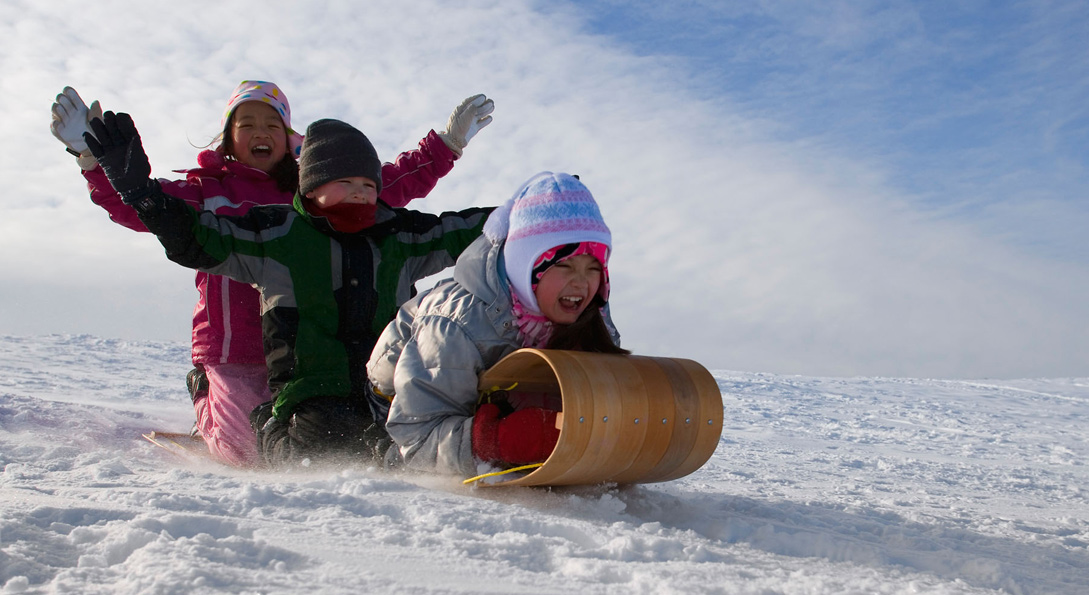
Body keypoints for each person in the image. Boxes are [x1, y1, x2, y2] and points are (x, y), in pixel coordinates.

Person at [49, 82, 494, 466]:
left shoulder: (315, 190)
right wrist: (93, 160)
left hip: (311, 348)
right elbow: (148, 211)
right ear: (228, 136)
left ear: (289, 138)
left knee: (353, 430)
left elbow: (386, 186)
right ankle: (207, 398)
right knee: (250, 453)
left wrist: (445, 146)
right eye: (247, 124)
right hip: (235, 345)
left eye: (272, 124)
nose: (261, 132)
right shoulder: (207, 191)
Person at [366, 171, 627, 477]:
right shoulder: (455, 322)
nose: (581, 282)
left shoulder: (592, 318)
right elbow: (418, 435)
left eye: (593, 267)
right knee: (412, 465)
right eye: (564, 265)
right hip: (399, 408)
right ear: (524, 266)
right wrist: (492, 441)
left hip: (493, 394)